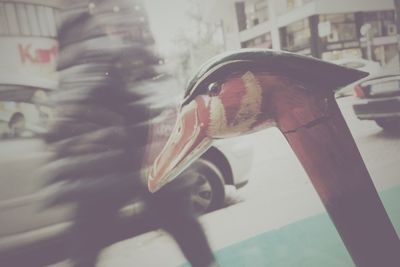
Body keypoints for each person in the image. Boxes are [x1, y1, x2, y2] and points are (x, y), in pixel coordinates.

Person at [42, 0, 217, 266]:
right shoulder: (93, 35)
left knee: (87, 241)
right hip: (123, 156)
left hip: (109, 160)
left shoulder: (80, 38)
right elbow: (124, 90)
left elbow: (80, 101)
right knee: (179, 222)